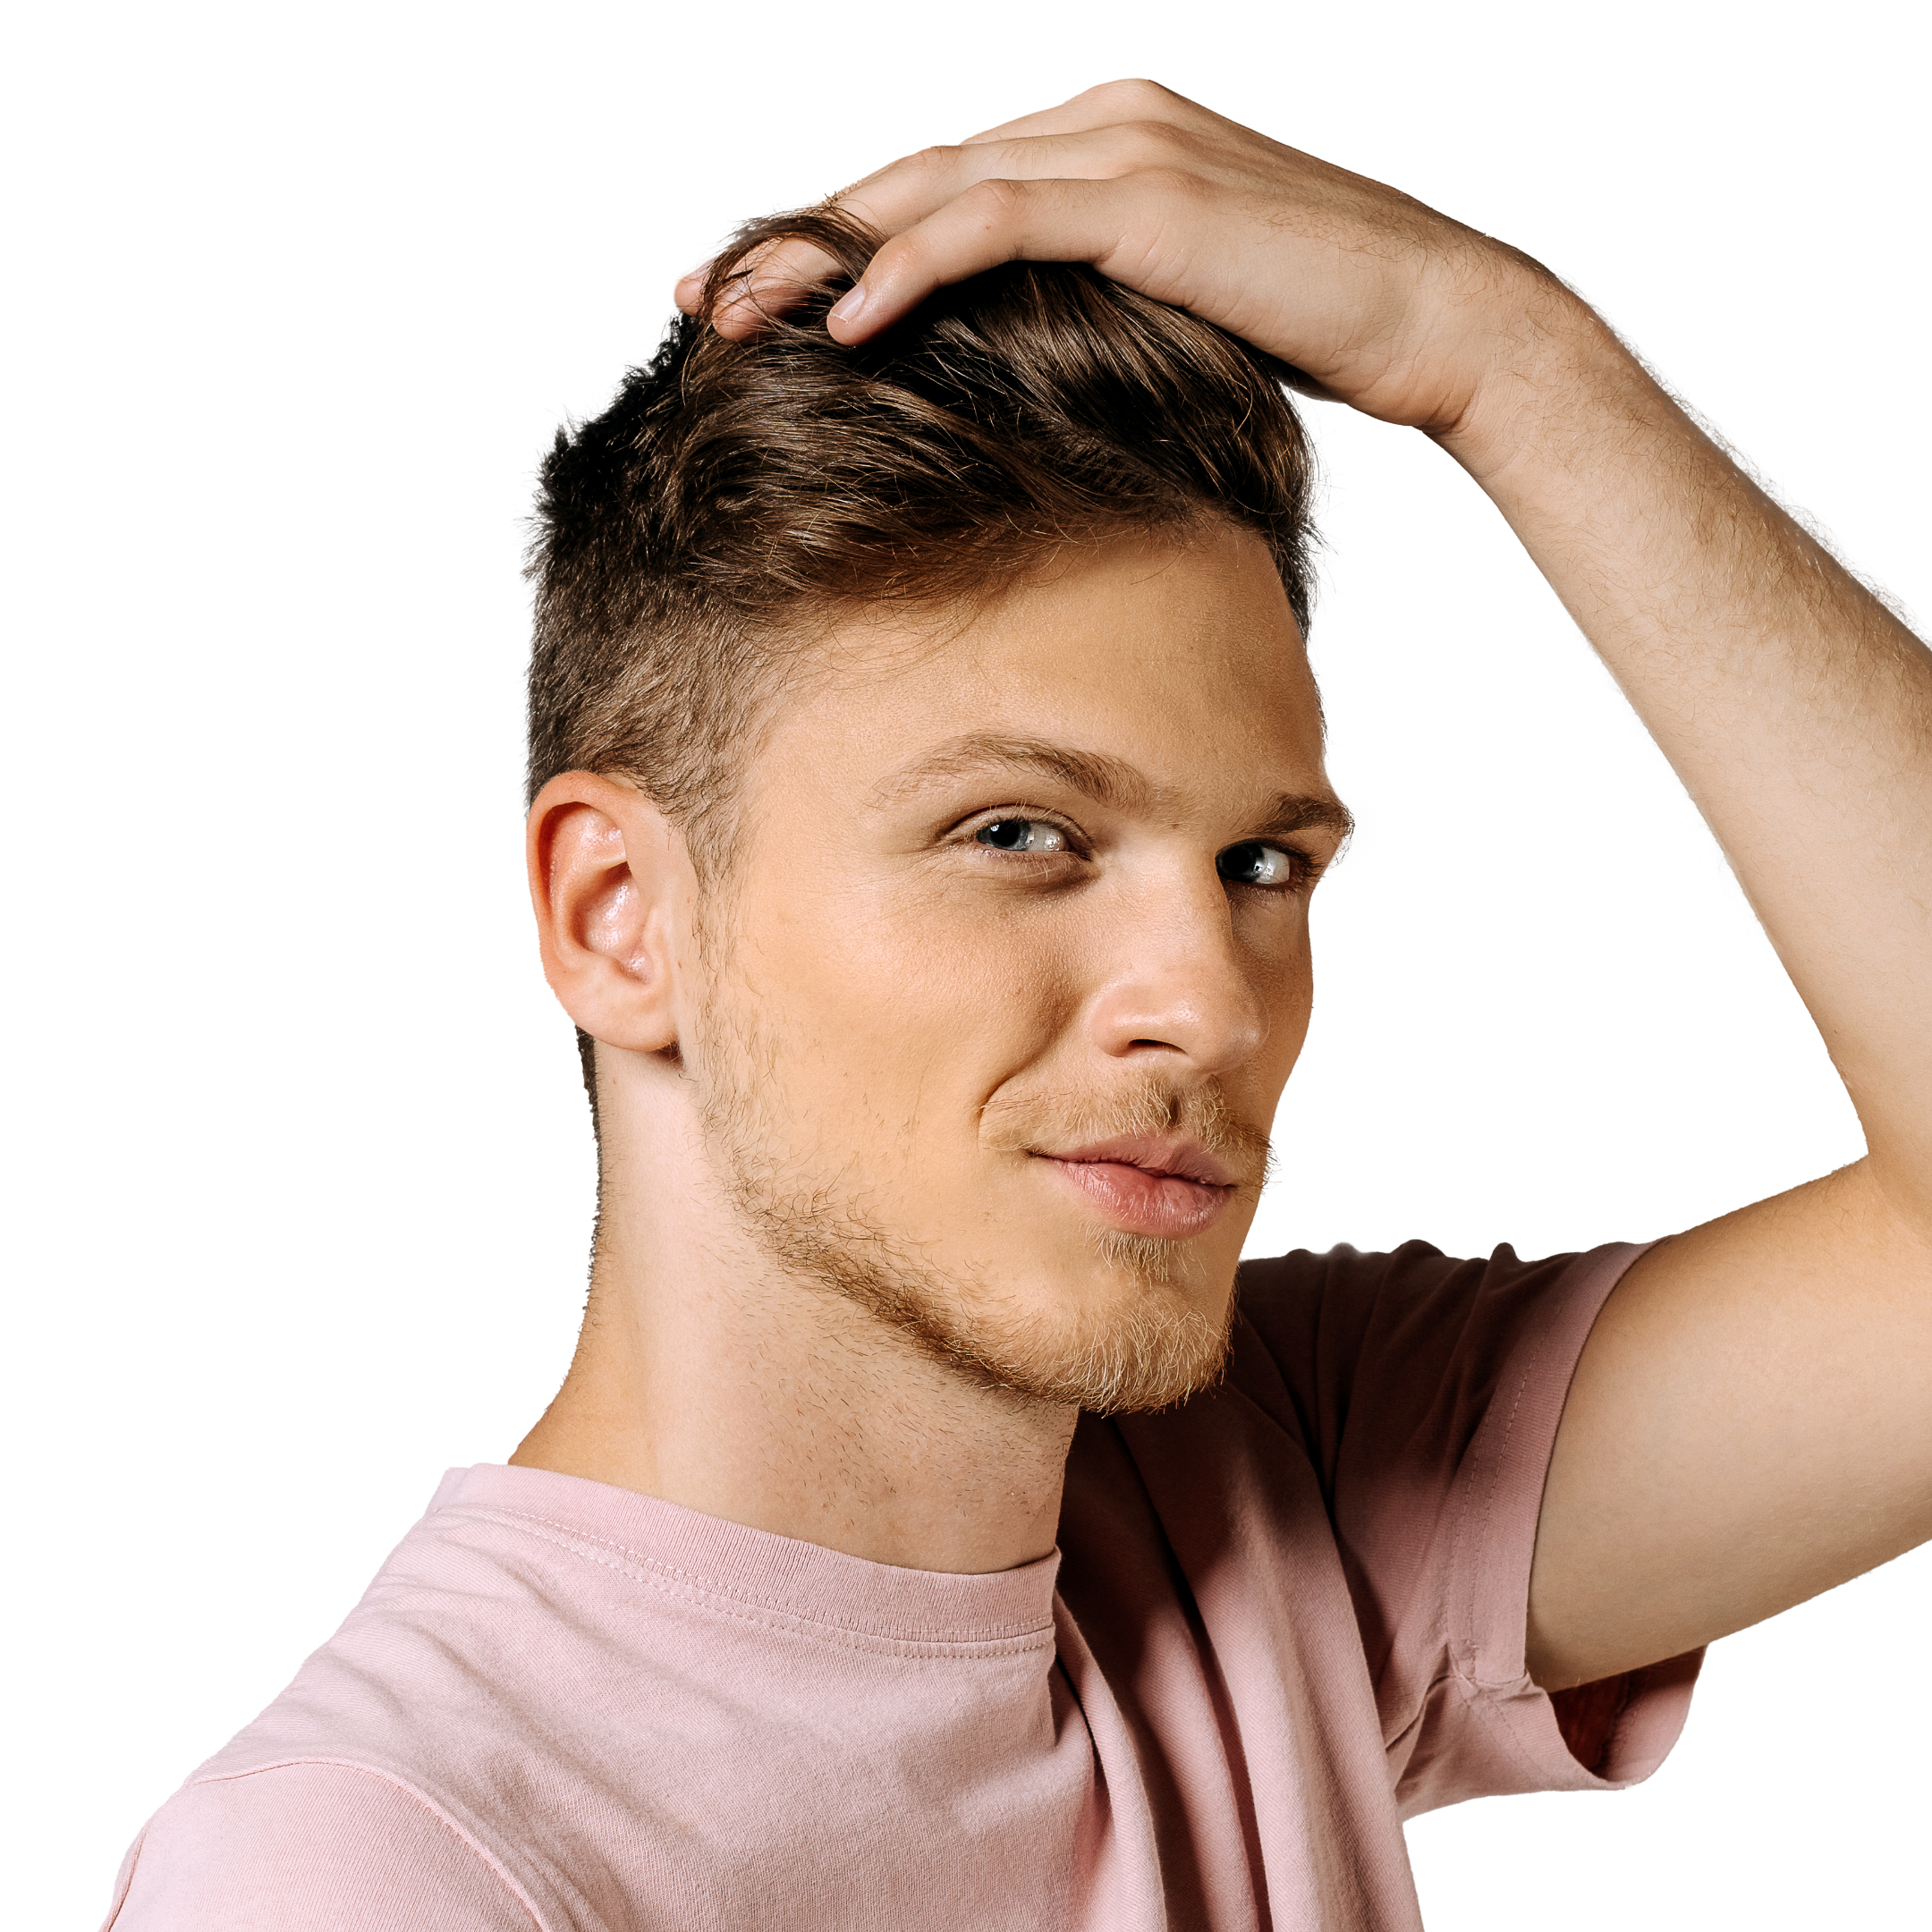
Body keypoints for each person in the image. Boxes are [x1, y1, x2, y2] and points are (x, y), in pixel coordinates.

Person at [104, 80, 1928, 1930]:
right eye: (1019, 834)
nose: (1211, 1005)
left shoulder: (1278, 1484)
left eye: (1261, 864)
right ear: (619, 916)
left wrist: (1503, 356)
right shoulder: (376, 1872)